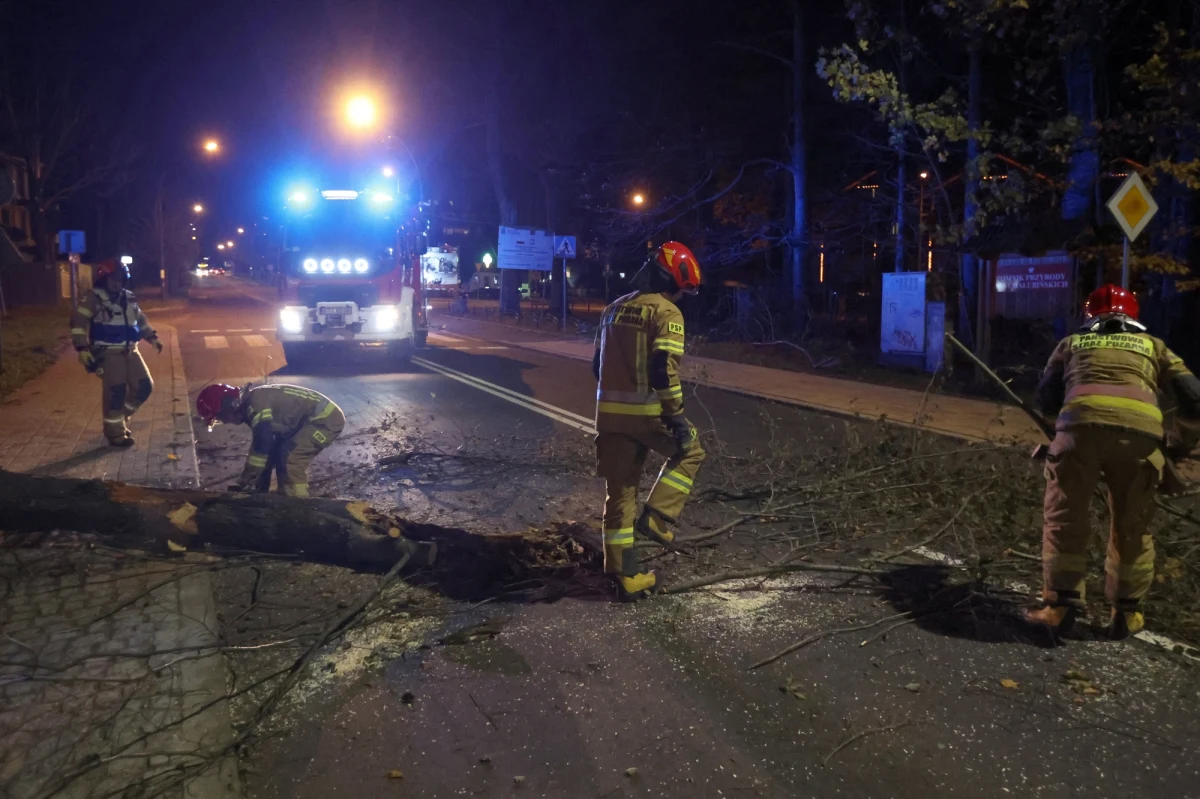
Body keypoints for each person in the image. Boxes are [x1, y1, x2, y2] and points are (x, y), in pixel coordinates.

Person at [1026, 284, 1200, 638]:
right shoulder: (1155, 346)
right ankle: (1126, 614)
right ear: (1133, 316)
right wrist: (1179, 446)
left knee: (1065, 519)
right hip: (1140, 442)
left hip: (1078, 436)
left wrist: (1064, 433)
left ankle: (1060, 607)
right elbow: (1194, 402)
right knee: (1132, 526)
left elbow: (1046, 400)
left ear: (1089, 316)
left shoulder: (1072, 344)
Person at [592, 241, 706, 598]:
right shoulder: (666, 313)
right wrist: (677, 417)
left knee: (620, 493)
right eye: (681, 290)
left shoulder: (612, 310)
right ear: (673, 279)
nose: (680, 297)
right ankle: (657, 517)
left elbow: (596, 366)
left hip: (609, 418)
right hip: (646, 415)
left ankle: (624, 575)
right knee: (691, 450)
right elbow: (662, 370)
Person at [70, 259, 163, 447]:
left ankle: (120, 417)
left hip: (131, 350)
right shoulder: (92, 298)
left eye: (121, 280)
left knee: (144, 386)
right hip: (107, 352)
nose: (117, 283)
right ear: (103, 278)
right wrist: (82, 348)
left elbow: (140, 320)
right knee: (116, 391)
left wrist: (151, 337)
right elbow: (78, 323)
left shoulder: (128, 297)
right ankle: (115, 434)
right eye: (113, 279)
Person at [196, 382, 345, 497]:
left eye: (220, 417)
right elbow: (265, 448)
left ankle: (298, 507)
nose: (225, 421)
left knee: (290, 456)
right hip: (307, 421)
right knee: (276, 452)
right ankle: (273, 498)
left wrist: (245, 481)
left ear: (231, 405)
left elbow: (262, 443)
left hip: (325, 420)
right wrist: (252, 487)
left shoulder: (256, 403)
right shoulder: (252, 403)